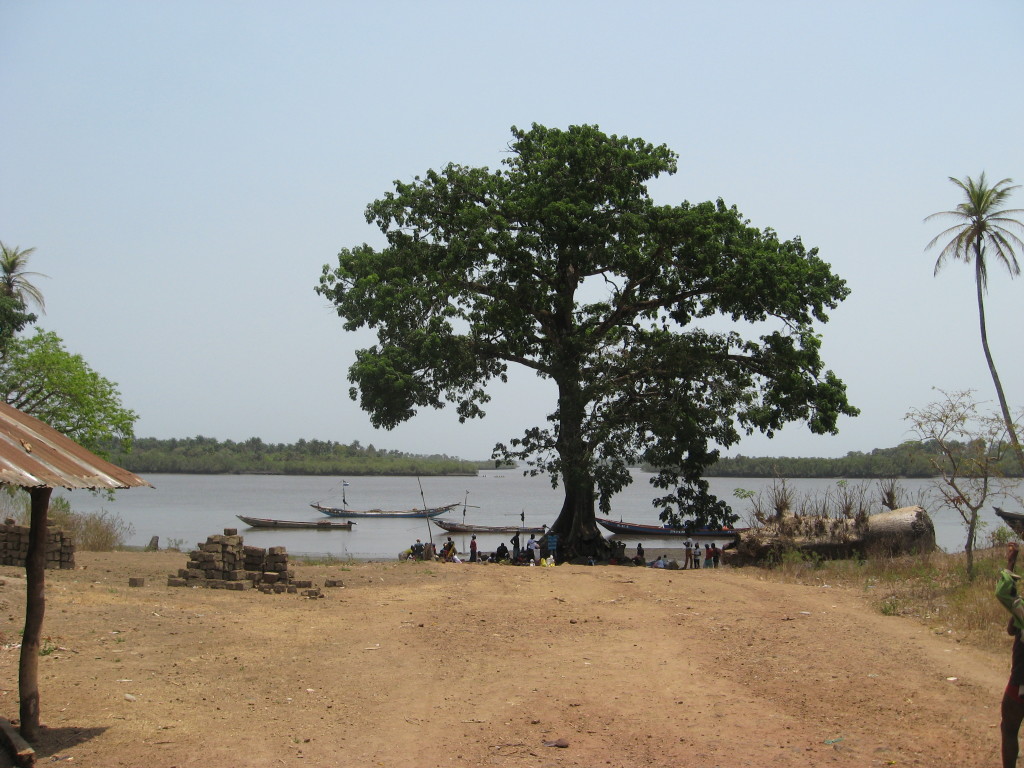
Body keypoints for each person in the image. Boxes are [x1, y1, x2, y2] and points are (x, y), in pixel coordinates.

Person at [996, 542, 1024, 767]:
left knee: (1009, 728)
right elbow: (1012, 628)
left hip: (1021, 684)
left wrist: (1010, 563)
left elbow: (1003, 591)